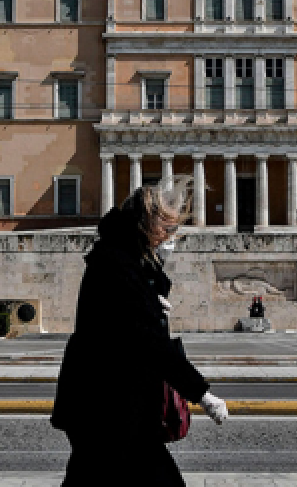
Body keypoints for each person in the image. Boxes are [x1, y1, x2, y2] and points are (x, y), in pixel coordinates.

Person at [51, 177, 228, 486]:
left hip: (109, 405)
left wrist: (153, 285)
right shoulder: (117, 265)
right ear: (148, 226)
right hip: (106, 405)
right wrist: (201, 393)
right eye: (168, 230)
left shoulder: (125, 258)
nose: (171, 238)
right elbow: (150, 342)